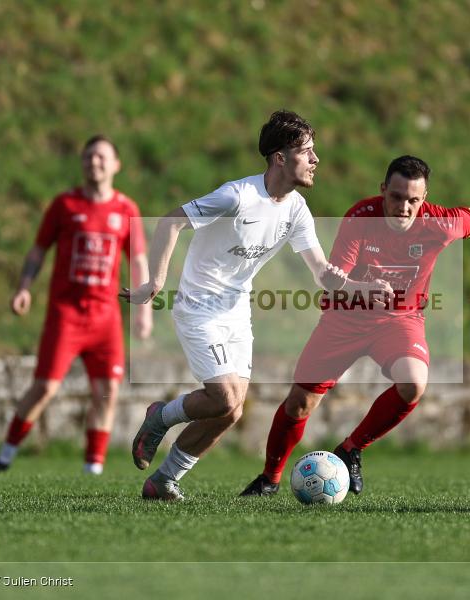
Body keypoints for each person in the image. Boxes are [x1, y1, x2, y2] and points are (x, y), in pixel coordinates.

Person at [121, 110, 386, 501]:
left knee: (231, 411)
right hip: (199, 306)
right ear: (280, 157)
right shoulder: (238, 196)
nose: (316, 160)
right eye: (307, 151)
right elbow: (172, 220)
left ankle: (163, 481)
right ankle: (159, 417)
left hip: (236, 311)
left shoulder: (296, 209)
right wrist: (155, 283)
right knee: (223, 398)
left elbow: (322, 273)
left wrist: (361, 286)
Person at [239, 155, 470, 496]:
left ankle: (351, 448)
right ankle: (269, 479)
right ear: (383, 190)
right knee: (300, 403)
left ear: (424, 199)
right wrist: (364, 289)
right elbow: (332, 278)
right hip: (345, 317)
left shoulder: (443, 222)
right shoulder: (360, 218)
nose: (404, 207)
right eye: (396, 197)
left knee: (413, 383)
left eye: (413, 200)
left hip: (400, 321)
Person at [0, 135, 152, 475]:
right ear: (82, 163)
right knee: (45, 386)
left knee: (107, 391)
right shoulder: (64, 205)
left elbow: (137, 261)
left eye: (102, 157)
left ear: (116, 165)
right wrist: (24, 288)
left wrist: (144, 309)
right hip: (66, 313)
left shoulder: (126, 209)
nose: (95, 163)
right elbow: (38, 251)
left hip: (105, 317)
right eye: (89, 157)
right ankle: (4, 456)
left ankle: (93, 466)